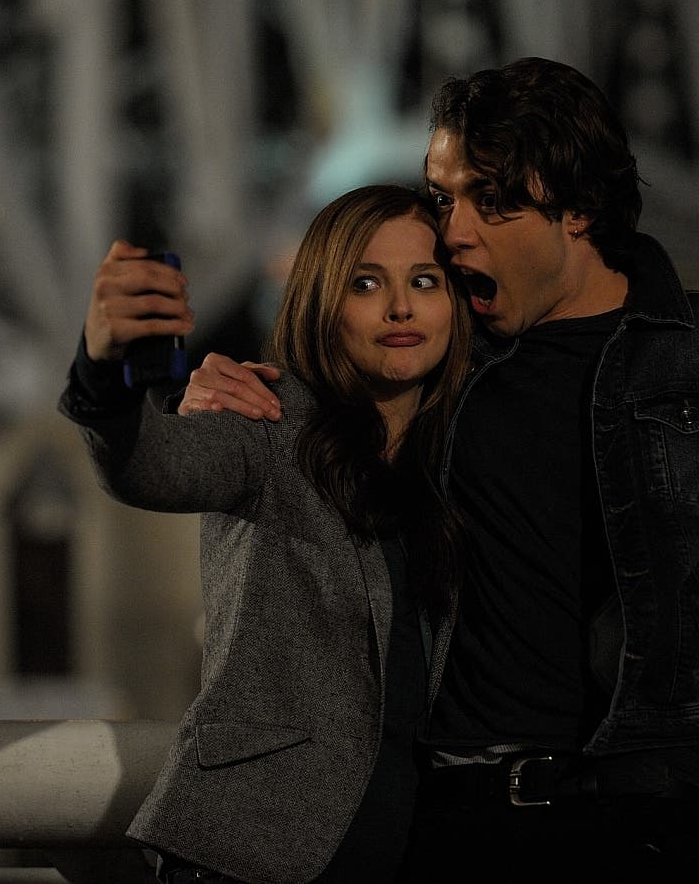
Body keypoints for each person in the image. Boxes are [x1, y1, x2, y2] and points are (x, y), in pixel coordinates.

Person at [179, 58, 699, 882]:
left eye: (489, 200)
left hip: (646, 822)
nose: (452, 231)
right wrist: (227, 391)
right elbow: (308, 420)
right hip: (449, 824)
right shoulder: (438, 356)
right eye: (444, 197)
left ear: (577, 208)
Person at [58, 184, 471, 884]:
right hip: (250, 853)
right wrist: (104, 372)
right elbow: (150, 467)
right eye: (366, 283)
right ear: (320, 301)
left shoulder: (463, 454)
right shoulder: (267, 418)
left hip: (404, 853)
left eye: (425, 282)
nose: (401, 307)